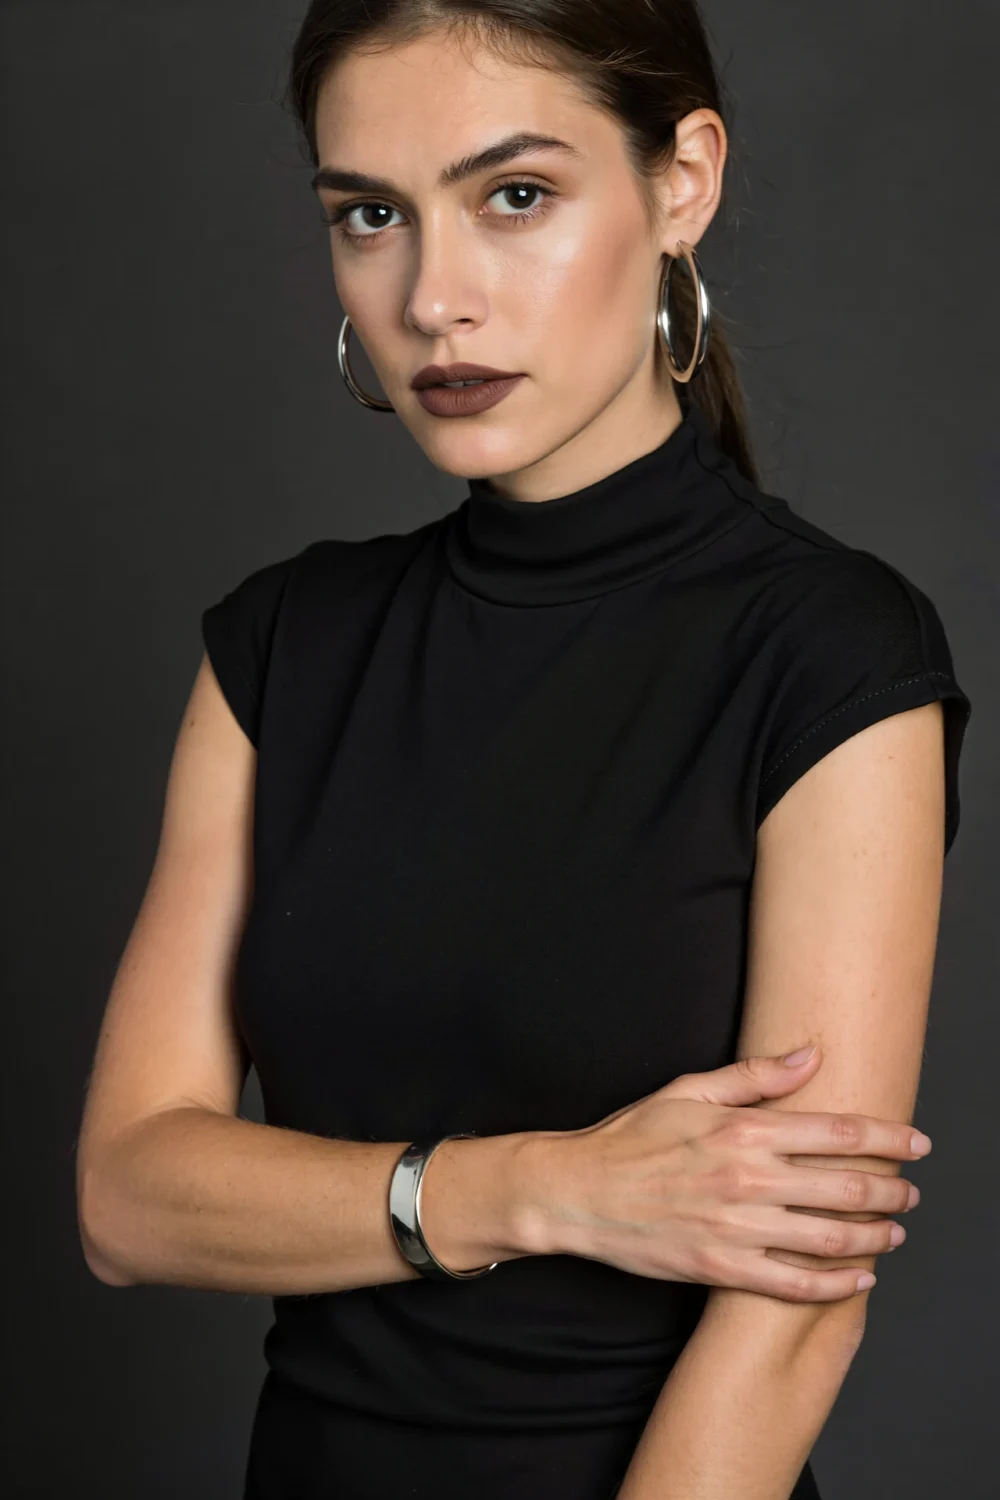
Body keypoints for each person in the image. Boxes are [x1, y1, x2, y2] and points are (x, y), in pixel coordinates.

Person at [75, 3, 972, 1498]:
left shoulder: (832, 650)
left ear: (682, 181)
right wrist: (540, 1188)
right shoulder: (283, 648)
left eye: (514, 195)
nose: (433, 298)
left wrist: (380, 1199)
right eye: (371, 215)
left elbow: (794, 1318)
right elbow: (128, 1198)